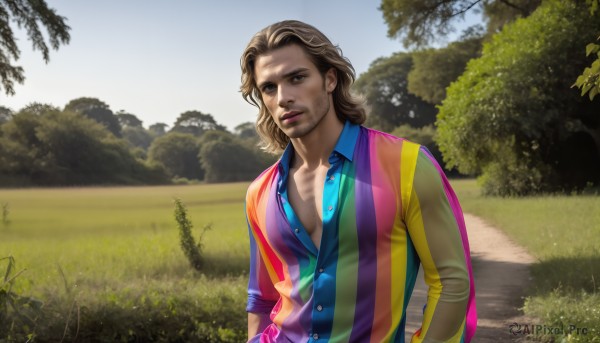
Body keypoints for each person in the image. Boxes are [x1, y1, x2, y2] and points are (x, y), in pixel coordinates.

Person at [240, 20, 477, 343]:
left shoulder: (406, 165)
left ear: (329, 79)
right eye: (269, 87)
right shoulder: (259, 193)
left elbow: (451, 281)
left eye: (297, 78)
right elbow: (263, 298)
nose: (283, 98)